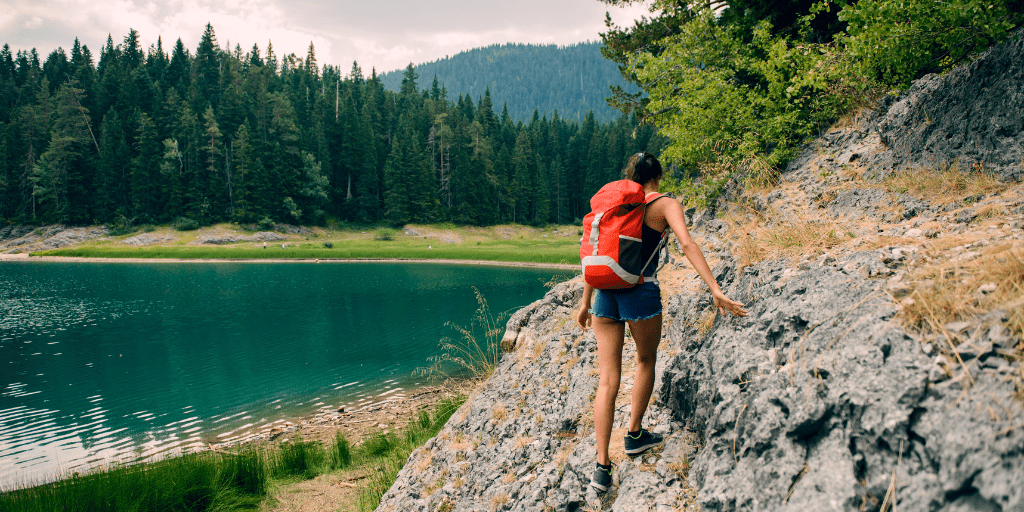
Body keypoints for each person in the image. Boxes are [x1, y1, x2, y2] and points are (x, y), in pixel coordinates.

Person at [576, 152, 748, 492]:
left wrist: (585, 303)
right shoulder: (665, 204)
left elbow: (598, 252)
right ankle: (635, 435)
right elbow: (686, 242)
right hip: (640, 291)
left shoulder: (614, 205)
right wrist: (715, 288)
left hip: (603, 295)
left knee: (608, 379)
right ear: (657, 177)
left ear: (630, 176)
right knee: (645, 360)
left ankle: (601, 467)